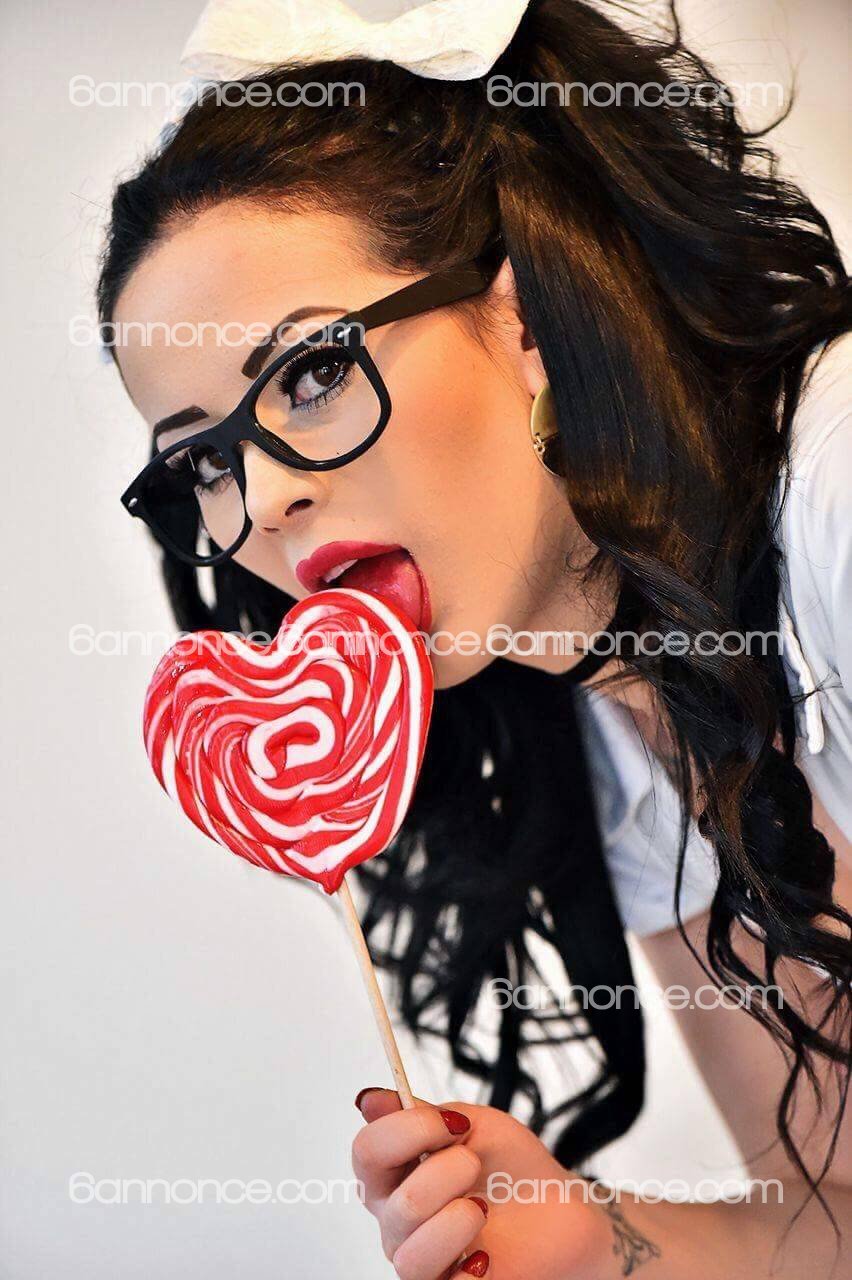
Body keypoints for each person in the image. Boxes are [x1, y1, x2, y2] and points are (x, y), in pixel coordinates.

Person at [96, 1, 851, 1274]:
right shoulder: (615, 735)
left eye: (312, 373)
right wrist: (600, 1242)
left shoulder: (838, 485)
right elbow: (833, 1211)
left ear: (525, 319)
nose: (262, 499)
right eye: (203, 463)